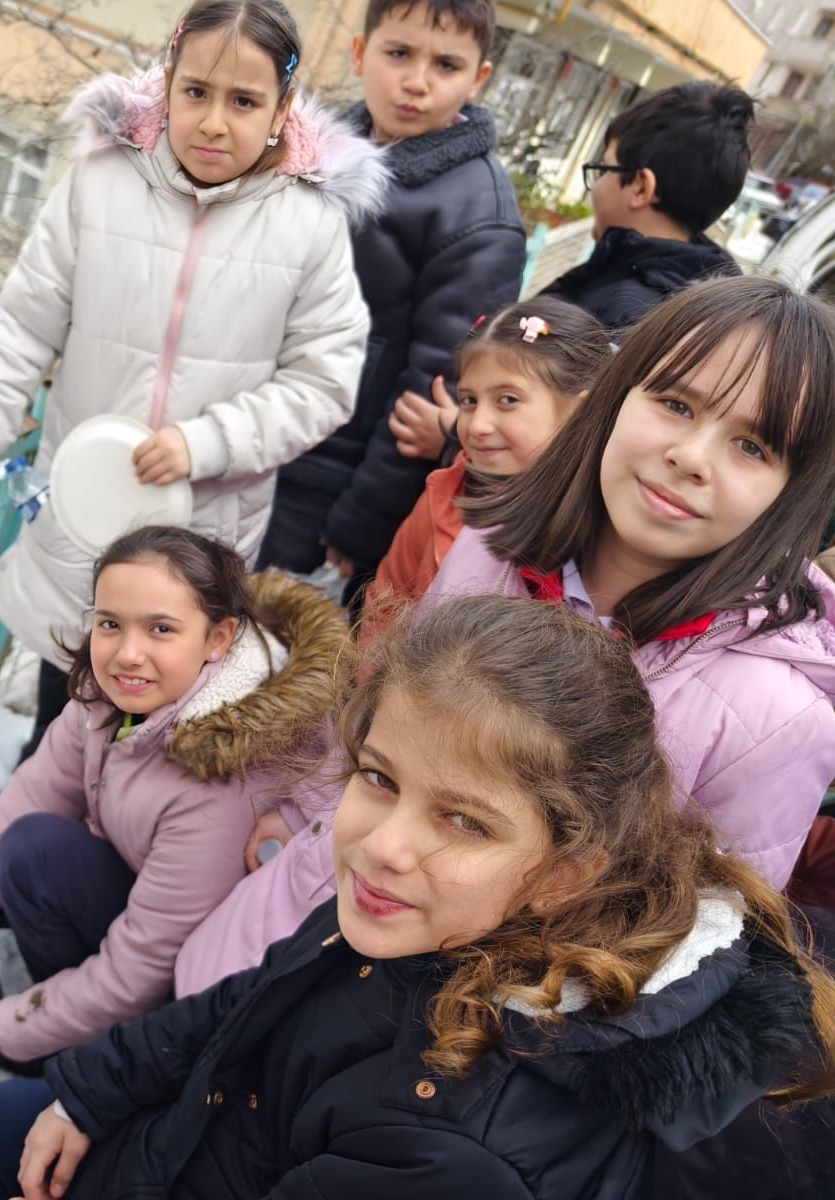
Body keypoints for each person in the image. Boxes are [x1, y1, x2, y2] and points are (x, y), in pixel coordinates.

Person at [0, 596, 835, 1200]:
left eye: (464, 821)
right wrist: (92, 1090)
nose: (384, 844)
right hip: (219, 1137)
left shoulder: (464, 1152)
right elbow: (245, 1001)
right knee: (16, 1117)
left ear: (567, 869)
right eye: (380, 778)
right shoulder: (413, 910)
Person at [177, 274, 835, 996]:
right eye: (676, 404)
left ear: (794, 491)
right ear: (615, 396)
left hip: (456, 1036)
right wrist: (303, 811)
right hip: (295, 921)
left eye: (752, 445)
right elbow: (384, 720)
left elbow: (689, 952)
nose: (692, 457)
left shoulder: (783, 717)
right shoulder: (490, 546)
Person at [0, 0, 381, 758]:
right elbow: (24, 324)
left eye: (243, 102)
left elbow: (325, 382)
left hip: (203, 534)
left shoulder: (309, 224)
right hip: (84, 520)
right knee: (63, 711)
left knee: (159, 735)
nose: (214, 121)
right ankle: (29, 836)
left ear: (280, 111)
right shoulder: (100, 183)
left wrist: (205, 442)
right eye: (197, 93)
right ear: (167, 84)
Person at [0, 527, 345, 1073]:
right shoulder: (111, 699)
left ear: (219, 639)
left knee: (34, 855)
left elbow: (142, 966)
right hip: (138, 873)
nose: (128, 654)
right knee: (22, 844)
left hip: (183, 979)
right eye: (110, 624)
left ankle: (71, 1047)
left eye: (162, 629)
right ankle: (61, 1002)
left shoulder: (223, 782)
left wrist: (2, 1028)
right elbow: (35, 793)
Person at [260, 0, 526, 609]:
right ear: (360, 54)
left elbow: (434, 381)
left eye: (446, 64)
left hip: (327, 479)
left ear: (477, 79)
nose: (416, 81)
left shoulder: (478, 214)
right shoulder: (312, 151)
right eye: (399, 53)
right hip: (258, 428)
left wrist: (363, 518)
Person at [360, 296, 608, 633]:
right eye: (468, 401)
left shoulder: (600, 537)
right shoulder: (447, 492)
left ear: (580, 412)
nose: (477, 425)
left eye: (507, 400)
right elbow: (386, 601)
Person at [543, 81, 751, 329]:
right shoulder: (702, 307)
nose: (596, 185)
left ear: (641, 188)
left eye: (603, 169)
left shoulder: (617, 317)